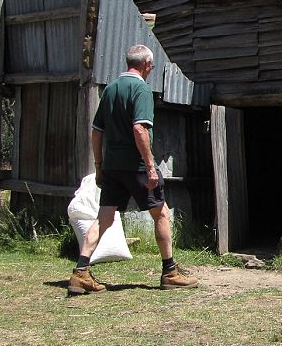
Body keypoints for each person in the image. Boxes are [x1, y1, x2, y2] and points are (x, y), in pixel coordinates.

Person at [68, 45, 199, 293]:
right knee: (161, 214)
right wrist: (150, 167)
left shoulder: (111, 90)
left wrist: (99, 166)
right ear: (147, 64)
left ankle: (80, 272)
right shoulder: (141, 89)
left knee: (103, 218)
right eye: (151, 65)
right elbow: (140, 129)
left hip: (112, 167)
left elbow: (97, 131)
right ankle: (170, 272)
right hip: (137, 165)